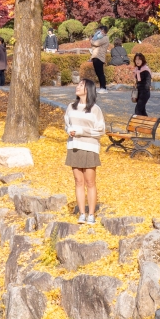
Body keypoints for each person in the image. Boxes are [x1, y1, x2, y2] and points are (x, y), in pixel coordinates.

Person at [65, 77, 105, 224]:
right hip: (74, 146)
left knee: (90, 182)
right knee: (78, 181)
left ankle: (91, 214)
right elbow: (67, 125)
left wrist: (81, 131)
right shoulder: (71, 107)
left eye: (81, 85)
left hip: (90, 147)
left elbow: (100, 130)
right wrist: (69, 130)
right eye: (78, 84)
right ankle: (82, 213)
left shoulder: (95, 109)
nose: (77, 87)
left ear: (88, 89)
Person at [132, 52, 152, 116]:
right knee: (142, 110)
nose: (137, 61)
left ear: (142, 60)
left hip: (145, 92)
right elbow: (136, 81)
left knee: (138, 109)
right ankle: (146, 123)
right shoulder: (136, 69)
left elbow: (148, 81)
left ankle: (137, 122)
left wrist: (146, 89)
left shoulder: (145, 69)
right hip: (139, 92)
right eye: (136, 59)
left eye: (139, 59)